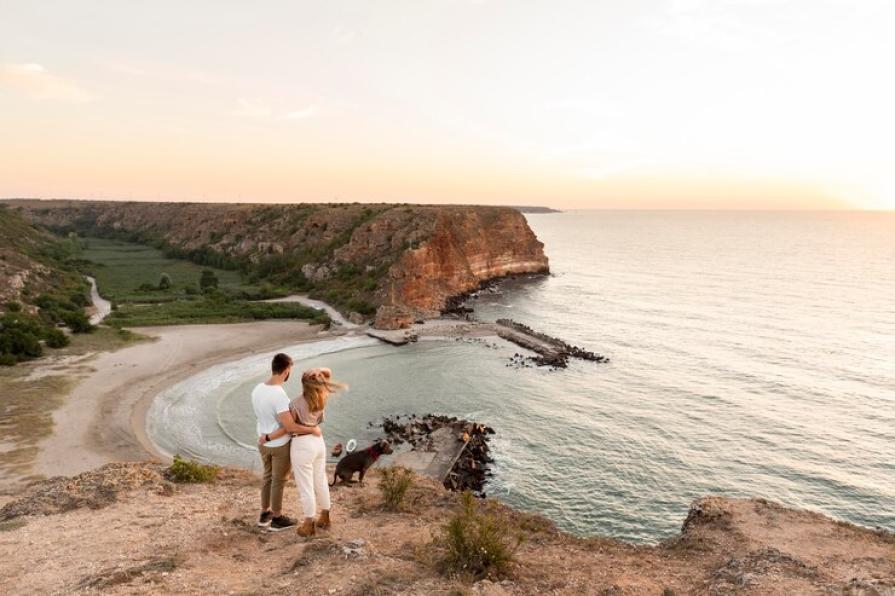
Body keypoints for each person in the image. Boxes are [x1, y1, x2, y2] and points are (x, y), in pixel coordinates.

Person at [265, 366, 346, 537]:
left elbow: (290, 427)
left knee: (305, 486)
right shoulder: (322, 396)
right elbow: (328, 371)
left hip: (302, 445)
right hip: (319, 443)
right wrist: (315, 372)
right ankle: (325, 516)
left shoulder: (295, 403)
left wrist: (268, 438)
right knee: (320, 480)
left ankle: (309, 524)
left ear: (303, 384)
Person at [251, 353, 321, 531]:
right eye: (290, 370)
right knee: (278, 481)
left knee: (267, 477)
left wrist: (266, 437)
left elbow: (262, 415)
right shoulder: (279, 396)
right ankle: (277, 518)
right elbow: (290, 426)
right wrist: (312, 429)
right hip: (279, 445)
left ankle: (264, 513)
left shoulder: (258, 388)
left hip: (263, 443)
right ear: (286, 371)